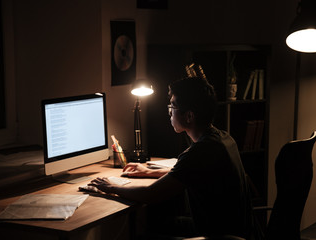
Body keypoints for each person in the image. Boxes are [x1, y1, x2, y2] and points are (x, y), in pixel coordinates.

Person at [89, 76, 253, 239]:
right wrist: (148, 171)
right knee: (161, 224)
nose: (169, 114)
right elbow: (191, 172)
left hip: (218, 235)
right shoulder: (222, 138)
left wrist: (111, 187)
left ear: (189, 116)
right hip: (237, 231)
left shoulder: (200, 152)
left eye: (172, 108)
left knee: (143, 236)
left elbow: (150, 194)